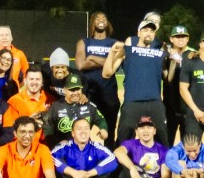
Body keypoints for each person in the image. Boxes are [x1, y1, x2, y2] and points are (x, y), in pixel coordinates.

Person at [104, 19, 168, 146]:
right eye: (145, 30)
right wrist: (112, 52)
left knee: (162, 137)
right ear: (138, 33)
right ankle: (121, 165)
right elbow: (106, 73)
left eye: (151, 31)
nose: (148, 33)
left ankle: (164, 165)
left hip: (155, 102)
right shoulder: (128, 50)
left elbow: (167, 77)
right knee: (124, 137)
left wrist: (172, 60)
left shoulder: (159, 53)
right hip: (132, 102)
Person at [51, 117, 118, 178]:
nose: (83, 132)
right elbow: (51, 157)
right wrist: (74, 173)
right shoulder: (66, 147)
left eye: (86, 128)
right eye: (79, 129)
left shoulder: (96, 146)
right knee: (65, 171)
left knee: (106, 171)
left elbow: (113, 160)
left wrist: (87, 174)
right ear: (73, 133)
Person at [76, 11, 120, 146]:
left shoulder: (115, 43)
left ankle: (110, 160)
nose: (101, 19)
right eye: (97, 18)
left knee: (110, 130)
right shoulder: (84, 42)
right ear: (93, 23)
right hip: (88, 92)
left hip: (109, 92)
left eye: (104, 18)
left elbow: (115, 66)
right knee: (82, 127)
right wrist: (107, 61)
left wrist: (92, 58)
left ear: (108, 23)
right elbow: (80, 64)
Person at [43, 73, 108, 149]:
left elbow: (100, 119)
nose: (75, 93)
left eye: (78, 89)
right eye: (72, 90)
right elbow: (47, 131)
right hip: (62, 149)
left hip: (84, 148)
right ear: (64, 90)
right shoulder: (55, 107)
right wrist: (56, 143)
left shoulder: (88, 105)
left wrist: (103, 129)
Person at [162, 24, 194, 145]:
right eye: (177, 37)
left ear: (187, 39)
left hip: (188, 108)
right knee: (167, 143)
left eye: (183, 36)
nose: (180, 39)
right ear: (171, 39)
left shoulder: (194, 56)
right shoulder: (165, 56)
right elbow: (165, 78)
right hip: (169, 107)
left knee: (188, 145)